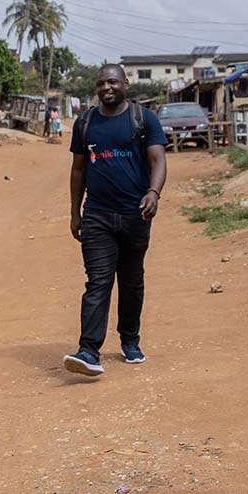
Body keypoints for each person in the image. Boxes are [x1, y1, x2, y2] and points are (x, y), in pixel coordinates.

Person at [63, 64, 168, 377]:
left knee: (132, 280)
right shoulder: (85, 122)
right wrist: (74, 211)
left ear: (125, 83)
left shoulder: (143, 118)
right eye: (101, 83)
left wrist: (154, 192)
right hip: (97, 215)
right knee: (98, 281)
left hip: (136, 214)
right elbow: (78, 169)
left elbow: (158, 159)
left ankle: (130, 340)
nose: (106, 88)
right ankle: (88, 350)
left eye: (112, 82)